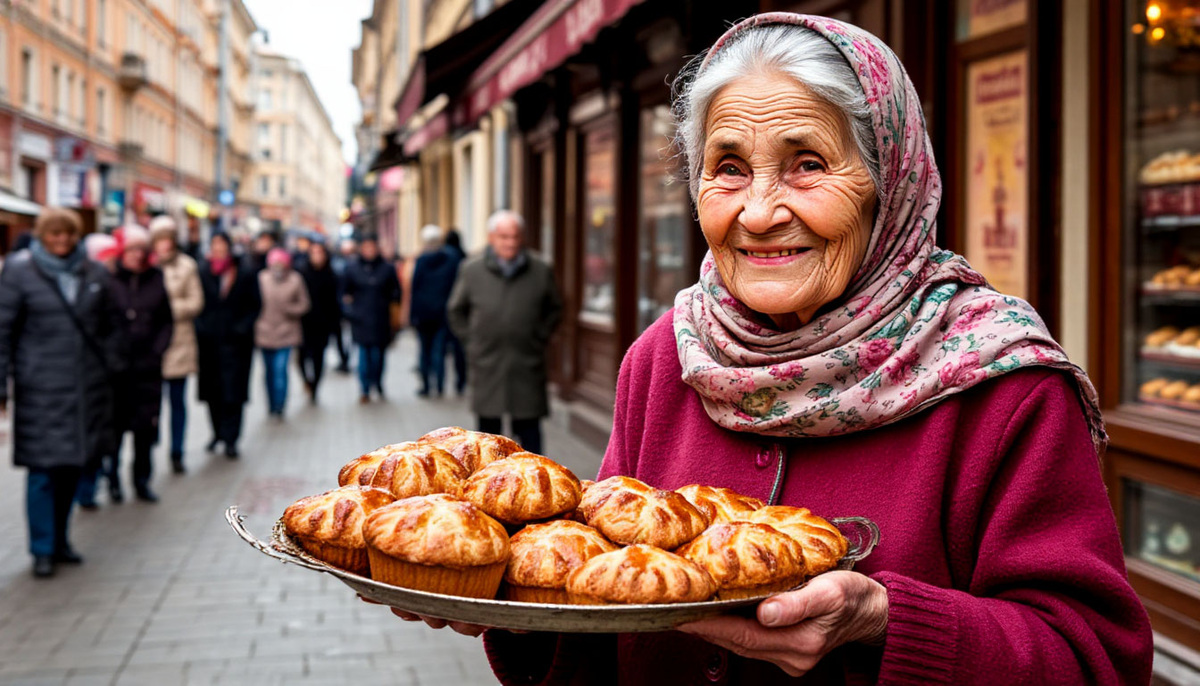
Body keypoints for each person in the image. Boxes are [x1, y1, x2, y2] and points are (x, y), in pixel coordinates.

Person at [432, 14, 1159, 683]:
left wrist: (882, 623)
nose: (758, 212)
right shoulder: (666, 358)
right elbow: (605, 617)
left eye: (807, 163)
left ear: (890, 179)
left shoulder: (1003, 385)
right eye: (727, 168)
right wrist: (513, 610)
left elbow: (1094, 658)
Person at [0, 209, 124, 577]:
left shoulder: (94, 272)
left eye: (68, 234)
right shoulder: (19, 273)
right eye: (54, 233)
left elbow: (112, 326)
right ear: (41, 235)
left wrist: (113, 366)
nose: (61, 240)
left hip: (87, 388)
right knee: (42, 471)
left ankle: (61, 540)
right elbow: (2, 332)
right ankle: (41, 548)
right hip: (40, 387)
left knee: (73, 466)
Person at [447, 210, 562, 454]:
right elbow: (456, 311)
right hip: (487, 362)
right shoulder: (472, 270)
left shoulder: (540, 269)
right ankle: (487, 486)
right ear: (492, 238)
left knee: (530, 433)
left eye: (515, 237)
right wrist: (472, 341)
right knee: (488, 440)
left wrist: (538, 338)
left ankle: (536, 485)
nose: (510, 242)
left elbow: (555, 308)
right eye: (503, 237)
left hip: (527, 362)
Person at [107, 225, 173, 504]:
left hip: (147, 369)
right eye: (132, 249)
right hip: (116, 370)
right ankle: (112, 481)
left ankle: (142, 481)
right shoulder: (109, 280)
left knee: (145, 430)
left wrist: (157, 350)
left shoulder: (156, 278)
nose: (137, 255)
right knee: (114, 431)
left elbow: (166, 320)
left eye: (141, 250)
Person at [196, 233, 260, 458]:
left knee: (234, 394)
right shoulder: (203, 271)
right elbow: (198, 303)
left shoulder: (244, 272)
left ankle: (232, 438)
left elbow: (255, 305)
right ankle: (217, 433)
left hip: (236, 345)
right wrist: (201, 327)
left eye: (222, 245)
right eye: (215, 245)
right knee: (213, 393)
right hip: (210, 343)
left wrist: (241, 329)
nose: (219, 249)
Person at [150, 216, 204, 475]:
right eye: (159, 240)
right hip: (149, 344)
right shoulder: (145, 264)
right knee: (150, 404)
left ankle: (177, 451)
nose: (164, 245)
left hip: (179, 342)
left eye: (167, 239)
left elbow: (196, 302)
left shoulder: (187, 266)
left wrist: (165, 310)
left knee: (177, 403)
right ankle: (147, 450)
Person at [343, 235, 401, 403]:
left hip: (380, 320)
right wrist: (350, 311)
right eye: (366, 247)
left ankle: (377, 382)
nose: (369, 251)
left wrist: (392, 309)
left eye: (372, 247)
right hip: (360, 320)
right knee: (362, 357)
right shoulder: (352, 268)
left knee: (378, 357)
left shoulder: (387, 268)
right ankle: (365, 388)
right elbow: (343, 293)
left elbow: (396, 292)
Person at [255, 248, 310, 418]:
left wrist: (290, 310)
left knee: (280, 371)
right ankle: (271, 404)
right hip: (264, 331)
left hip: (287, 332)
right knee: (269, 372)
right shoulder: (262, 278)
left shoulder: (295, 279)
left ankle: (280, 405)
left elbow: (304, 304)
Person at [410, 224, 463, 397]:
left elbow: (415, 288)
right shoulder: (451, 259)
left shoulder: (422, 260)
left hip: (424, 313)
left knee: (425, 351)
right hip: (442, 312)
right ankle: (439, 385)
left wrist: (412, 314)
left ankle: (426, 385)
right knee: (438, 351)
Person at [297, 240, 341, 404]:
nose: (317, 256)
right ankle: (307, 381)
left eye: (319, 252)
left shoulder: (331, 275)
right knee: (301, 358)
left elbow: (335, 302)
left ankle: (315, 387)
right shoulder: (302, 273)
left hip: (323, 324)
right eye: (313, 253)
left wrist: (335, 324)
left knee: (318, 358)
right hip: (303, 323)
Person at [441, 229, 468, 395]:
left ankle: (440, 381)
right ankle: (461, 381)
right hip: (463, 310)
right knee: (460, 350)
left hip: (447, 308)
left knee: (443, 348)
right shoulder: (464, 258)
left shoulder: (444, 257)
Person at [330, 238, 356, 373]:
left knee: (349, 335)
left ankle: (346, 358)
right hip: (337, 305)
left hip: (349, 305)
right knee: (339, 335)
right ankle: (344, 358)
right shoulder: (337, 263)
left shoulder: (353, 264)